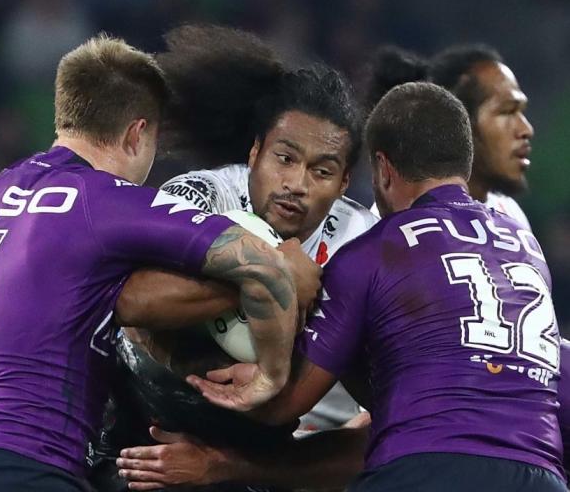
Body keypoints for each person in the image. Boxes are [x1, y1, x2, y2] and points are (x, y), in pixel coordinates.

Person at [0, 34, 300, 492]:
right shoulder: (104, 201)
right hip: (29, 467)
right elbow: (262, 264)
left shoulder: (0, 190)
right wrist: (270, 377)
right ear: (136, 134)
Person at [182, 82, 565, 491]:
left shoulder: (376, 251)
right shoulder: (526, 247)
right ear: (464, 165)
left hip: (424, 470)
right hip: (541, 474)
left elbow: (284, 404)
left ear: (382, 169)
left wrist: (236, 381)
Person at [89, 24, 376, 492]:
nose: (297, 185)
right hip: (150, 424)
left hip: (284, 450)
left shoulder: (362, 241)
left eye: (321, 171)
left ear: (344, 183)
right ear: (255, 152)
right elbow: (134, 306)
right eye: (284, 158)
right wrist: (271, 275)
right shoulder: (201, 197)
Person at [366, 44, 534, 228]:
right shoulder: (392, 222)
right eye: (507, 111)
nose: (526, 129)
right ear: (460, 123)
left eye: (521, 112)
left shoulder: (510, 214)